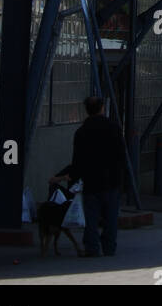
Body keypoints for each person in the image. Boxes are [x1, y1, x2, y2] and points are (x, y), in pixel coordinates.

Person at [53, 95, 124, 258]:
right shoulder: (114, 128)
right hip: (112, 179)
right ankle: (109, 247)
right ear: (102, 108)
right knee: (111, 217)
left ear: (87, 110)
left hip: (91, 181)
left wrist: (74, 177)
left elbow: (77, 159)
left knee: (91, 217)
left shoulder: (82, 132)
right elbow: (121, 154)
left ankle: (92, 248)